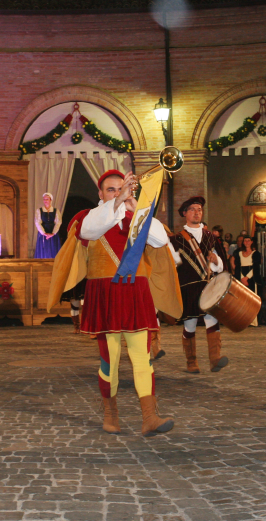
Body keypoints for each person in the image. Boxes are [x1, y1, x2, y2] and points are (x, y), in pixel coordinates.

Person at [48, 169, 181, 437]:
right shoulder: (89, 216)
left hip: (136, 293)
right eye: (111, 189)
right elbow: (88, 231)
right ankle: (111, 414)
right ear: (100, 194)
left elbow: (161, 240)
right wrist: (117, 203)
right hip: (105, 293)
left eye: (122, 188)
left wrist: (139, 209)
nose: (117, 193)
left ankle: (149, 417)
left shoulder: (137, 216)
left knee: (143, 358)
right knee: (111, 358)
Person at [169, 196, 229, 374]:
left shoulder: (211, 237)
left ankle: (215, 359)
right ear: (185, 214)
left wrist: (216, 259)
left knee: (213, 320)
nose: (197, 212)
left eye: (200, 209)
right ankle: (191, 362)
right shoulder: (177, 239)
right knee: (190, 324)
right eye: (193, 209)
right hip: (189, 287)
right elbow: (174, 265)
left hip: (209, 286)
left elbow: (222, 263)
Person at [232, 236, 260, 323]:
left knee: (251, 300)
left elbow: (255, 267)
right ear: (243, 242)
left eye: (248, 241)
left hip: (251, 279)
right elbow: (237, 267)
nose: (247, 242)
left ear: (251, 242)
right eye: (245, 241)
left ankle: (252, 321)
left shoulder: (256, 253)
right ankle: (242, 320)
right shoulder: (239, 253)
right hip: (241, 279)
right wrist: (241, 278)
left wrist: (247, 278)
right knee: (241, 300)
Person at [33, 192, 62, 259]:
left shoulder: (56, 210)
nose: (45, 201)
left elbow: (58, 222)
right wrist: (44, 233)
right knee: (44, 249)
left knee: (53, 248)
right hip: (43, 232)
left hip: (53, 231)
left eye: (47, 199)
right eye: (44, 199)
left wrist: (53, 233)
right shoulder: (39, 210)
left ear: (51, 200)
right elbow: (37, 222)